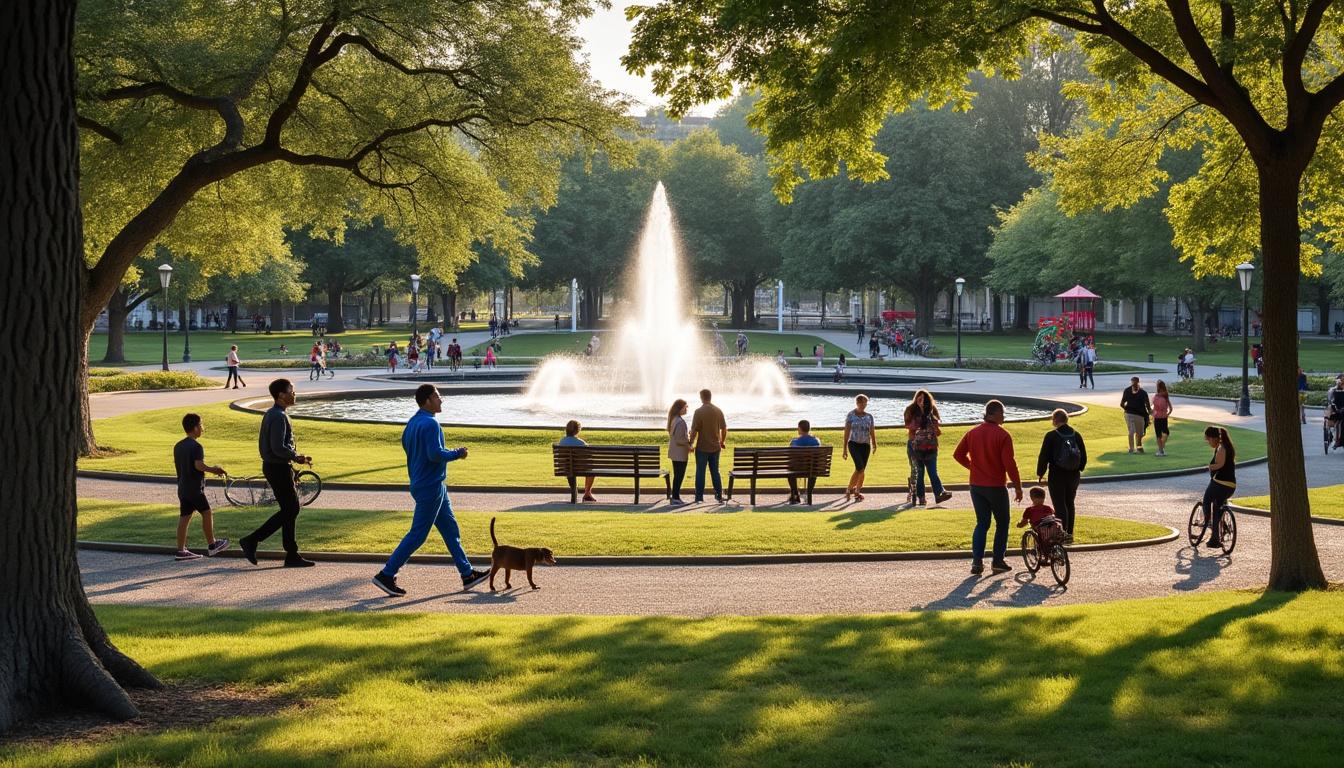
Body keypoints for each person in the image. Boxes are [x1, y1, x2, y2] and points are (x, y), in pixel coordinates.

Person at [372, 384, 490, 596]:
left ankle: (467, 573)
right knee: (418, 534)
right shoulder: (430, 424)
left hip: (426, 483)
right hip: (430, 485)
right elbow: (434, 454)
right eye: (437, 396)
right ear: (427, 400)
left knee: (451, 530)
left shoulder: (412, 423)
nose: (441, 399)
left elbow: (410, 449)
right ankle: (387, 574)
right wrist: (458, 453)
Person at [238, 379, 315, 568]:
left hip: (278, 467)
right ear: (281, 395)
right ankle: (252, 540)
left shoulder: (275, 414)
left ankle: (291, 554)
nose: (294, 394)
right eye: (291, 391)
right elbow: (278, 447)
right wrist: (297, 457)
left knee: (290, 510)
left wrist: (293, 459)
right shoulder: (278, 416)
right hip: (277, 467)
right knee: (291, 509)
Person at [953, 399, 1023, 575]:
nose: (1004, 416)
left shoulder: (973, 432)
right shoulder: (1003, 435)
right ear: (993, 413)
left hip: (976, 485)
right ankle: (998, 561)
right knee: (1002, 523)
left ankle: (977, 562)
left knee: (982, 523)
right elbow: (1010, 464)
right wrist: (1018, 486)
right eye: (1002, 413)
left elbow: (958, 454)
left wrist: (973, 467)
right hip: (996, 486)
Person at [172, 413, 230, 560]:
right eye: (201, 425)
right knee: (207, 512)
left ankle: (181, 550)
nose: (202, 428)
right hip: (194, 488)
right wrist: (214, 469)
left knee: (184, 518)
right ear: (195, 427)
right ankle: (212, 545)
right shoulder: (197, 446)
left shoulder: (178, 446)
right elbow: (198, 465)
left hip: (183, 488)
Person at [1035, 408, 1086, 537]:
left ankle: (1061, 532)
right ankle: (1069, 533)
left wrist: (1040, 473)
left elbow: (1043, 456)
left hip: (1056, 474)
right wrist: (1078, 468)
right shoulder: (1076, 435)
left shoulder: (1051, 436)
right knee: (1070, 502)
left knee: (1059, 504)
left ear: (1055, 420)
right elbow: (1083, 456)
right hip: (1073, 474)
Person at [903, 390, 952, 507]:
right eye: (919, 399)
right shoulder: (910, 410)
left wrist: (930, 419)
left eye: (924, 399)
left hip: (931, 446)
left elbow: (937, 428)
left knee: (933, 472)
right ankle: (921, 497)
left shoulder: (932, 410)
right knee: (919, 473)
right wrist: (919, 410)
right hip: (916, 446)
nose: (922, 402)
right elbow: (910, 426)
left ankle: (939, 493)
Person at [1200, 426, 1237, 548]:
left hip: (1220, 483)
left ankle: (1208, 521)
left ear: (1213, 438)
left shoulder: (1221, 448)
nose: (1208, 442)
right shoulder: (1228, 447)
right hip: (1230, 485)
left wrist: (1209, 467)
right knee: (1217, 509)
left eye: (1208, 439)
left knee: (1206, 500)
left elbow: (1220, 464)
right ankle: (1215, 537)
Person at [688, 388, 727, 503]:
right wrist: (722, 441)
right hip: (715, 447)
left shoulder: (698, 412)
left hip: (702, 447)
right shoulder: (718, 410)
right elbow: (724, 428)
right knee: (715, 471)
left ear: (701, 398)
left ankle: (699, 497)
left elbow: (694, 430)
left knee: (700, 471)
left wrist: (691, 443)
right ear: (710, 397)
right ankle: (719, 494)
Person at [842, 394, 877, 502]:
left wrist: (874, 443)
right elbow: (847, 432)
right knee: (860, 468)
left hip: (865, 445)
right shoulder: (851, 415)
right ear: (857, 403)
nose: (863, 405)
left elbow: (871, 431)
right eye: (861, 403)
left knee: (861, 470)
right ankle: (849, 489)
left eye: (865, 403)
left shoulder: (869, 416)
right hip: (854, 444)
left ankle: (857, 491)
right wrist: (844, 448)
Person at [784, 419, 822, 504]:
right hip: (812, 468)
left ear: (800, 429)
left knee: (790, 472)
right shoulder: (816, 441)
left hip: (797, 469)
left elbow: (790, 456)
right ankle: (809, 494)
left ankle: (795, 495)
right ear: (809, 428)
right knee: (813, 471)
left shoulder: (794, 441)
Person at [558, 420, 597, 502]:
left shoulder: (562, 442)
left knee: (570, 469)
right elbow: (589, 457)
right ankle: (587, 493)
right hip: (580, 468)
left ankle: (574, 490)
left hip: (566, 468)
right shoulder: (581, 443)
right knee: (591, 471)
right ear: (577, 430)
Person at [666, 399, 692, 505]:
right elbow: (680, 439)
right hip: (680, 453)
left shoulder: (673, 419)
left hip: (674, 452)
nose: (686, 409)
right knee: (679, 475)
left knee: (677, 475)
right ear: (680, 408)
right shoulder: (680, 422)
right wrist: (689, 442)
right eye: (685, 407)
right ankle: (676, 497)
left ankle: (675, 496)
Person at [1120, 376, 1153, 453]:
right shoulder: (1128, 391)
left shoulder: (1143, 393)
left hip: (1140, 415)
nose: (1134, 384)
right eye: (1133, 383)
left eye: (1135, 383)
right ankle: (1132, 449)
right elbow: (1122, 403)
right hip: (1130, 414)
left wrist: (1151, 413)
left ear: (1138, 382)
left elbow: (1148, 406)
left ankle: (1138, 448)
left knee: (1140, 433)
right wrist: (1127, 409)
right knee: (1132, 431)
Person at [1148, 379, 1174, 456]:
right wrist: (1168, 413)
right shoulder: (1165, 395)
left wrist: (1152, 414)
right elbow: (1170, 407)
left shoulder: (1156, 396)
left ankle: (1160, 449)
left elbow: (1153, 408)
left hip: (1157, 417)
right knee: (1166, 432)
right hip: (1164, 417)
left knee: (1158, 434)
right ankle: (1161, 449)